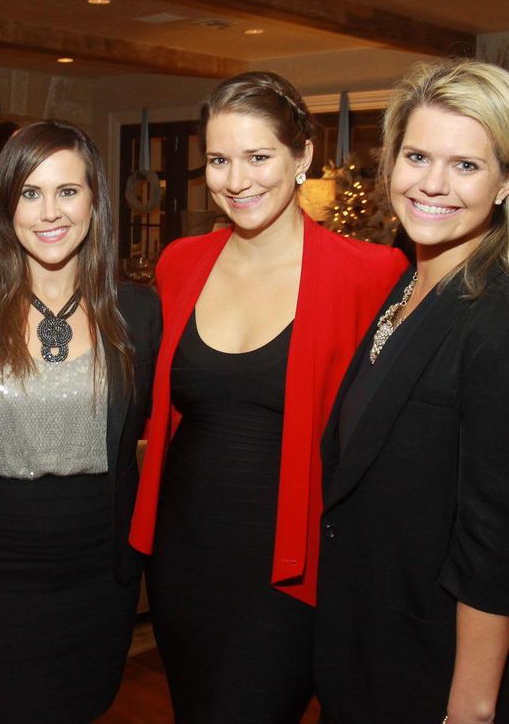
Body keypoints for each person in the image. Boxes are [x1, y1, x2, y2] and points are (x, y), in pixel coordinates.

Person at [128, 71, 408, 722]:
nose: (236, 179)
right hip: (183, 556)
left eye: (259, 156)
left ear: (303, 155)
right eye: (220, 159)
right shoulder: (181, 262)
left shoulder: (370, 274)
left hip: (290, 565)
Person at [314, 59, 509, 724]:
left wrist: (472, 708)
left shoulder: (503, 334)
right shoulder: (411, 286)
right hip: (369, 645)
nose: (431, 184)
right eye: (417, 155)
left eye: (465, 165)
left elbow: (495, 549)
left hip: (433, 673)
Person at [0, 119, 161, 723]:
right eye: (29, 192)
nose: (50, 211)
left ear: (95, 201)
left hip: (101, 571)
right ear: (5, 206)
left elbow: (156, 423)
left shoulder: (138, 311)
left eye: (68, 191)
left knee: (87, 707)